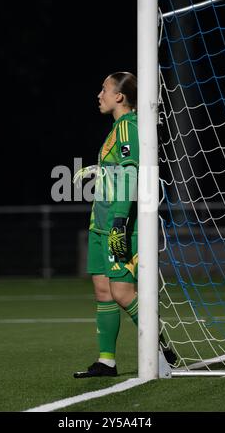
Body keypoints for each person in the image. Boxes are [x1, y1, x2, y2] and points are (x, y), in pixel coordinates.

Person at [73, 72, 175, 378]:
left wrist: (119, 221)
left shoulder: (129, 127)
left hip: (118, 224)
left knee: (122, 291)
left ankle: (161, 349)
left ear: (120, 96)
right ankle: (107, 361)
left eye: (103, 89)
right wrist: (98, 170)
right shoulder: (117, 129)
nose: (99, 94)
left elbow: (131, 174)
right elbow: (119, 167)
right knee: (103, 290)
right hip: (100, 223)